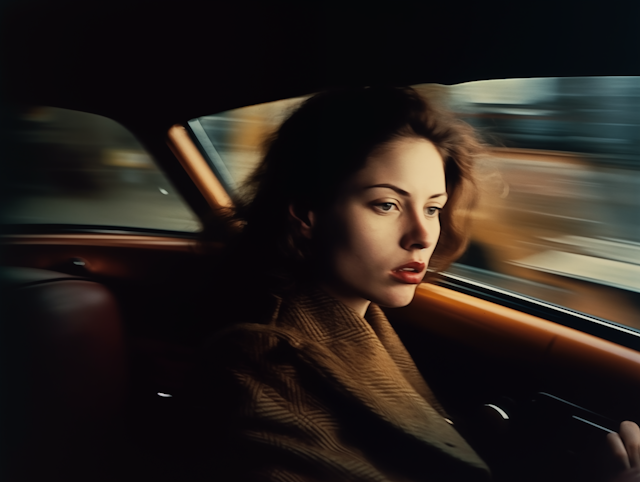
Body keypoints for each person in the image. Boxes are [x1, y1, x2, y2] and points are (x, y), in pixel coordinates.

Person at [198, 86, 640, 482]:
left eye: (432, 208)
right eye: (387, 204)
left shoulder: (359, 316)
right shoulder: (261, 365)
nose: (423, 235)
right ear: (307, 214)